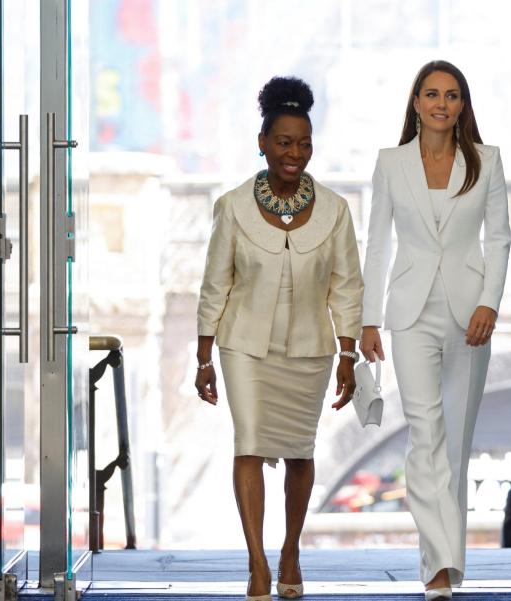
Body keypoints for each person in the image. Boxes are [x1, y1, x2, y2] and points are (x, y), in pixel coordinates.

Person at [195, 76, 363, 601]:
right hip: (243, 345)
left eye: (305, 143)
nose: (295, 153)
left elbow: (347, 285)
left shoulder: (335, 211)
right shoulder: (232, 207)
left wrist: (349, 351)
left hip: (311, 349)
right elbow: (215, 281)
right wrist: (203, 357)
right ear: (263, 142)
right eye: (285, 142)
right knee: (248, 445)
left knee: (299, 451)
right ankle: (258, 563)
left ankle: (290, 548)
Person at [359, 60, 511, 600]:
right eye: (431, 94)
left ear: (463, 105)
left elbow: (500, 240)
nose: (441, 103)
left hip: (471, 315)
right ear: (416, 103)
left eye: (451, 95)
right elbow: (376, 242)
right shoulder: (391, 163)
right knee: (424, 435)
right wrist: (367, 318)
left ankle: (448, 560)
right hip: (409, 312)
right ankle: (439, 567)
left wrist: (490, 304)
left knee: (454, 446)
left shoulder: (487, 161)